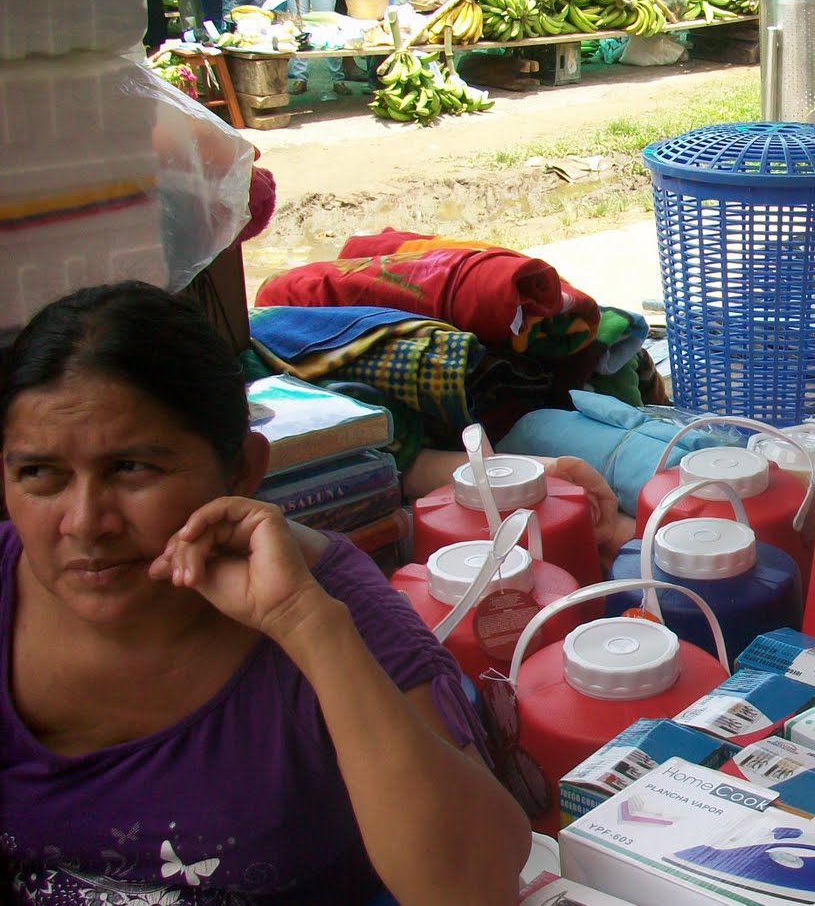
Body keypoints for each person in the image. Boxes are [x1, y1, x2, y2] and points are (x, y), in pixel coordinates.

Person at [0, 282, 530, 903]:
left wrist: (303, 624)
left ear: (244, 468)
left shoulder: (337, 611)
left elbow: (473, 891)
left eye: (132, 468)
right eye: (39, 474)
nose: (85, 522)